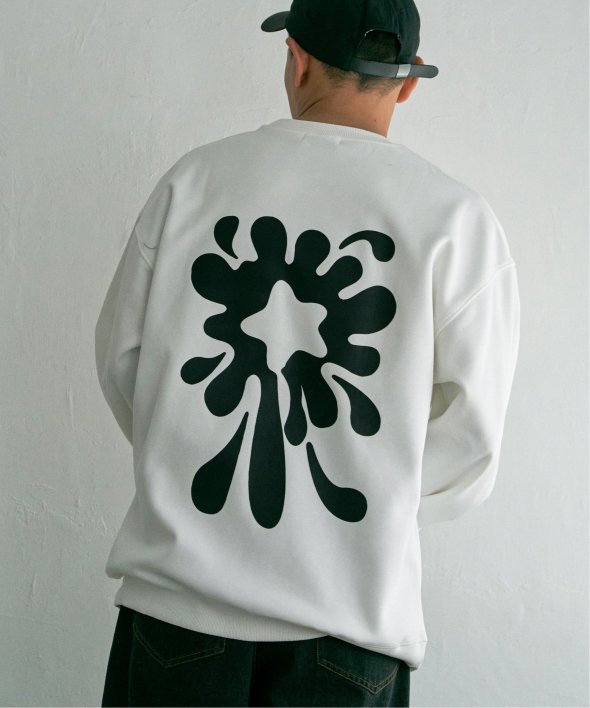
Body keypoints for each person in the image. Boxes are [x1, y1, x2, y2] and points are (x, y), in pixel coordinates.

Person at [96, 0, 521, 706]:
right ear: (408, 81)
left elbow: (123, 362)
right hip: (348, 627)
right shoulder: (458, 221)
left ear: (295, 58)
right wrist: (372, 497)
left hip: (176, 613)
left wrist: (182, 452)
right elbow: (472, 440)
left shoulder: (192, 183)